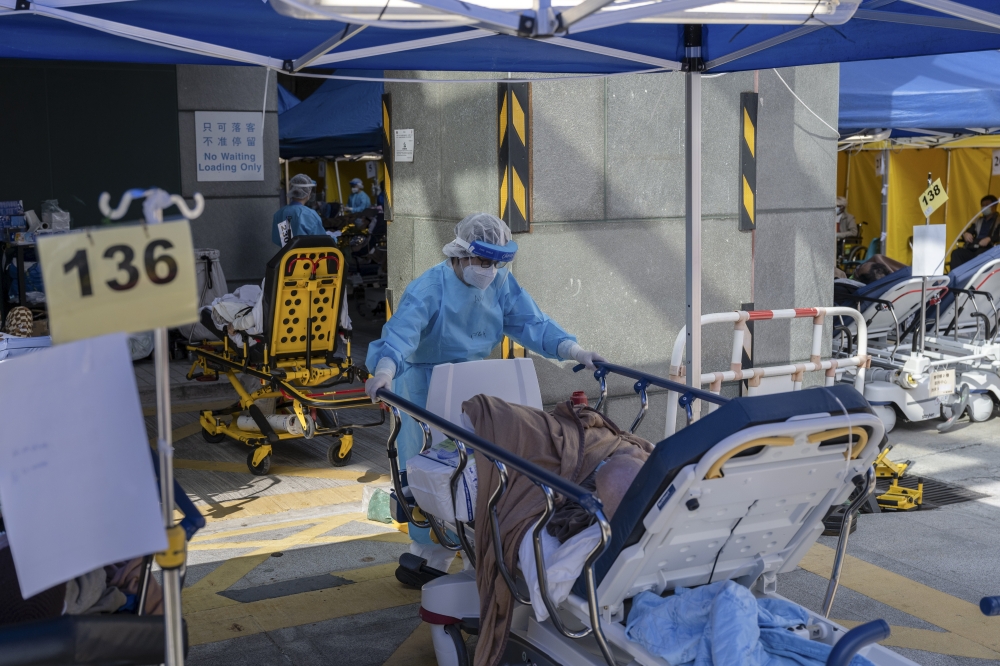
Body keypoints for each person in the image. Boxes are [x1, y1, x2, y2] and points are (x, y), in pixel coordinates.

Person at [364, 213, 606, 586]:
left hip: (473, 383)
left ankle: (480, 549)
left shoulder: (501, 284)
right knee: (429, 472)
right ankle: (432, 553)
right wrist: (383, 372)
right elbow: (401, 337)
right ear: (459, 255)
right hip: (422, 386)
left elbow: (533, 323)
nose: (489, 270)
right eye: (482, 261)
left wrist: (575, 350)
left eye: (497, 262)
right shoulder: (429, 289)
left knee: (478, 472)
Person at [272, 174, 326, 246]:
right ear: (308, 192)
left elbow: (278, 239)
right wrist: (334, 238)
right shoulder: (310, 214)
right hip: (308, 256)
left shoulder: (280, 213)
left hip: (287, 256)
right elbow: (322, 240)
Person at [950, 195, 1000, 268]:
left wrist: (989, 239)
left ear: (994, 206)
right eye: (983, 205)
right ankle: (956, 278)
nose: (984, 207)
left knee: (980, 254)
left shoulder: (998, 220)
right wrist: (965, 234)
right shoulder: (978, 221)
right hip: (974, 247)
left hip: (989, 249)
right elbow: (969, 231)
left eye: (987, 205)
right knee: (956, 253)